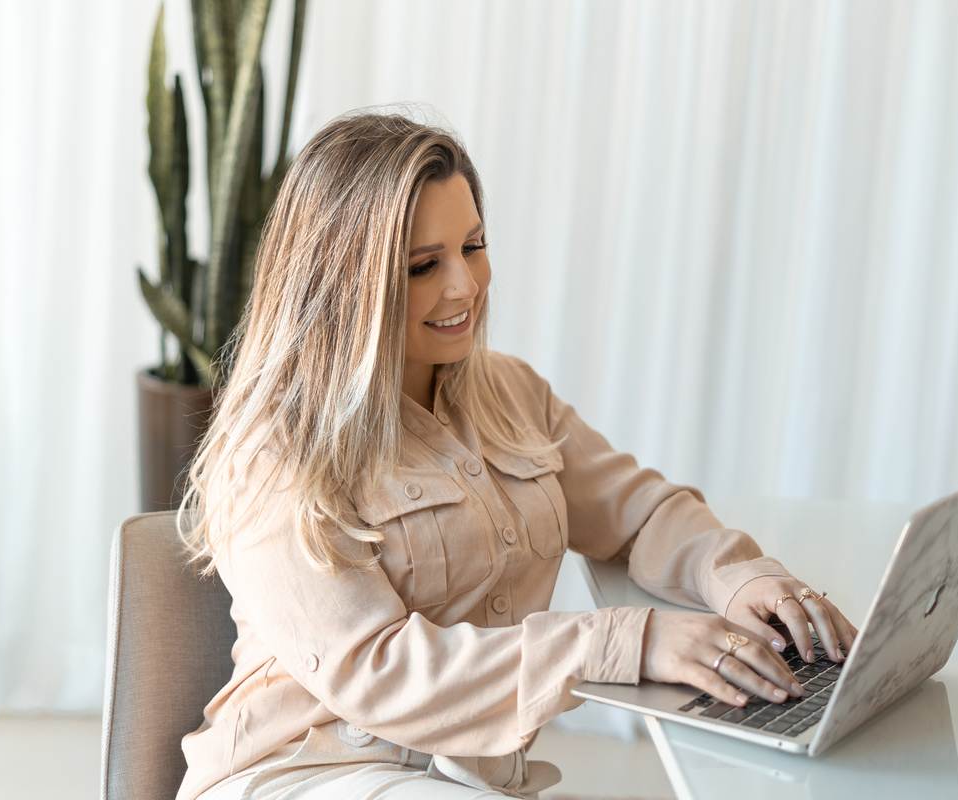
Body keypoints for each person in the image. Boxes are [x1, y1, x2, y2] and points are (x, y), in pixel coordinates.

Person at [175, 112, 858, 800]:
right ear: (342, 284)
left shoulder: (510, 393)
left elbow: (640, 513)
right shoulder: (272, 453)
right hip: (305, 772)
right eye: (423, 265)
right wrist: (622, 643)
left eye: (473, 246)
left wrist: (738, 580)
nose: (465, 286)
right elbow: (376, 671)